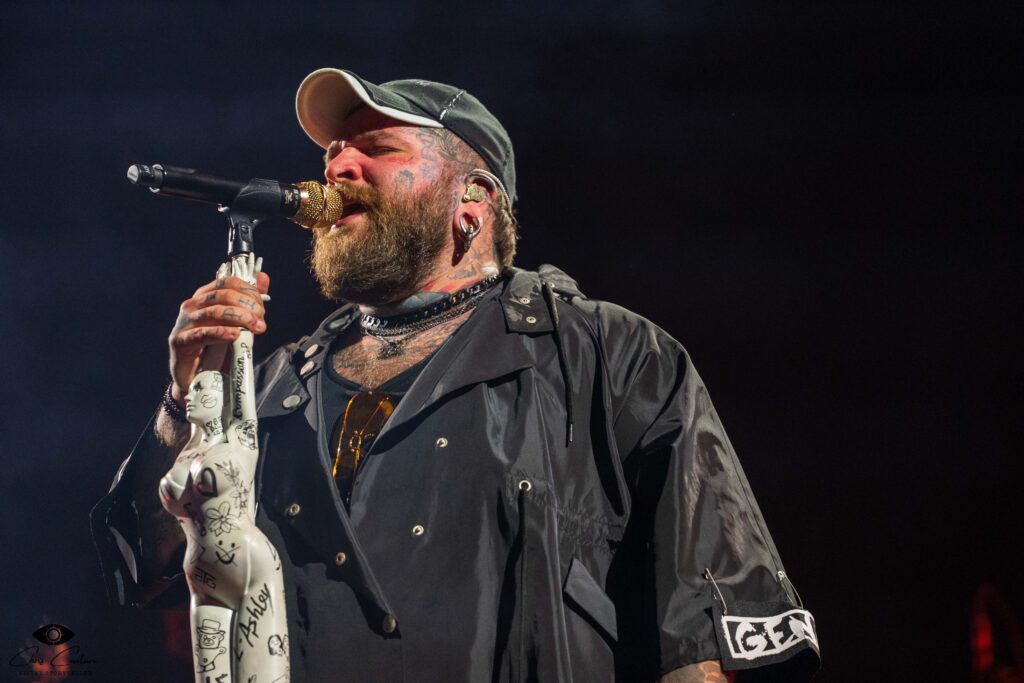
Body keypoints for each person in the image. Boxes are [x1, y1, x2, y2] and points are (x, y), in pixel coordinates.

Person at [92, 68, 820, 682]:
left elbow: (708, 633)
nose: (337, 169)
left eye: (374, 148)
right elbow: (146, 569)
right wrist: (187, 402)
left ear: (472, 202)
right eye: (332, 157)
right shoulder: (276, 384)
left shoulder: (608, 353)